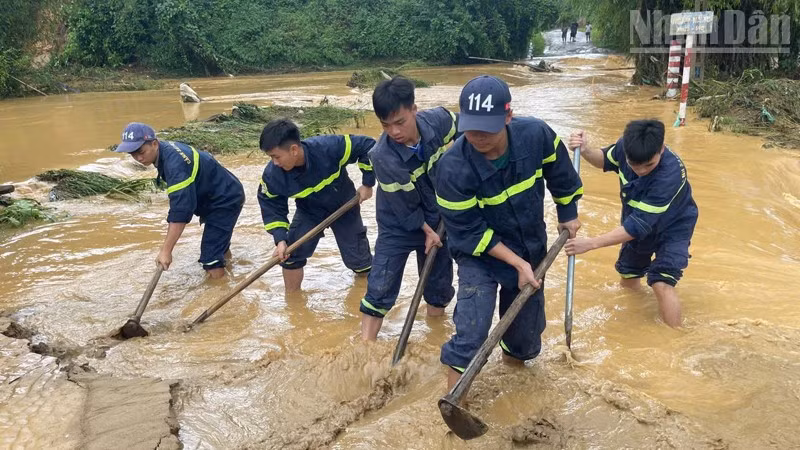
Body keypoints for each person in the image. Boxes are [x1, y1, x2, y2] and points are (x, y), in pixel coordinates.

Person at [435, 75, 583, 390]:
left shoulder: (536, 135)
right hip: (480, 256)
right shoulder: (452, 169)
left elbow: (560, 172)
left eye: (486, 128)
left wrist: (567, 213)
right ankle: (453, 403)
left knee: (523, 340)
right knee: (472, 332)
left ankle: (513, 391)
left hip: (530, 245)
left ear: (508, 116)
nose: (478, 136)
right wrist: (515, 263)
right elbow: (469, 231)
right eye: (471, 128)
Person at [565, 120, 698, 327]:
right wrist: (585, 150)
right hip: (637, 220)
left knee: (661, 281)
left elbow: (637, 226)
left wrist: (590, 243)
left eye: (649, 165)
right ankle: (633, 320)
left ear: (661, 149)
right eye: (634, 165)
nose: (641, 171)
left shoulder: (669, 175)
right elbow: (604, 160)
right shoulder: (624, 147)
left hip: (673, 227)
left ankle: (676, 335)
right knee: (628, 273)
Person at [360, 76, 459, 341]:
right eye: (385, 125)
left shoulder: (438, 121)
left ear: (414, 109)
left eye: (400, 122)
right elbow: (405, 209)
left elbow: (466, 129)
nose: (394, 132)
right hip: (398, 225)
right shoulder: (383, 156)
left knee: (438, 285)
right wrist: (427, 231)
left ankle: (434, 338)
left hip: (438, 217)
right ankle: (365, 346)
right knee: (381, 286)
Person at [257, 119, 376, 291]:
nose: (275, 162)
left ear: (294, 150)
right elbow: (271, 205)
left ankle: (367, 293)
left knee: (359, 261)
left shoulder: (328, 148)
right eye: (271, 157)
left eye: (276, 156)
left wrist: (367, 184)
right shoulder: (273, 176)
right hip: (309, 211)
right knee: (290, 255)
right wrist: (280, 239)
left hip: (344, 206)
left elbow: (367, 146)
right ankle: (292, 299)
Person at [114, 122, 245, 278]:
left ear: (154, 144)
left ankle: (222, 289)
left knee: (210, 258)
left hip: (225, 199)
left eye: (141, 152)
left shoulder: (175, 164)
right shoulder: (164, 152)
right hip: (217, 193)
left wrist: (166, 251)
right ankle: (228, 275)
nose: (139, 158)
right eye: (133, 154)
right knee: (217, 247)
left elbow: (181, 210)